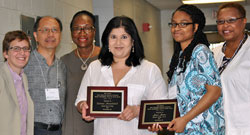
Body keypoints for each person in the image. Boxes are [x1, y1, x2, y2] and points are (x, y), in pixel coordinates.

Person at [75, 16, 168, 135]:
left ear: (133, 41)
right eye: (113, 37)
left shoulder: (149, 69)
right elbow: (80, 100)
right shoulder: (94, 67)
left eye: (124, 37)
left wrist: (137, 110)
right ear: (107, 40)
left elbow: (162, 110)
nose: (118, 42)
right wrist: (83, 106)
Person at [149, 5, 225, 134]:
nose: (176, 28)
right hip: (184, 128)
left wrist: (185, 119)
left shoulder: (200, 51)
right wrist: (159, 120)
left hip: (203, 128)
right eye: (174, 24)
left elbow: (215, 91)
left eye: (183, 24)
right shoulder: (180, 57)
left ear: (195, 27)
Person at [211, 3, 250, 134]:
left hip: (244, 126)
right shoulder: (213, 54)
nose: (225, 25)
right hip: (218, 126)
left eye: (231, 20)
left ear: (244, 21)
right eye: (220, 21)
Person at [24, 16, 66, 135]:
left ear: (60, 36)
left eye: (54, 30)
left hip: (58, 130)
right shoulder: (25, 63)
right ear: (36, 36)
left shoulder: (62, 66)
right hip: (32, 130)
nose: (50, 34)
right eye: (45, 30)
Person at [61, 10, 101, 135]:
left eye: (87, 28)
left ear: (94, 31)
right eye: (77, 28)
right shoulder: (64, 61)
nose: (82, 33)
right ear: (71, 33)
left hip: (102, 126)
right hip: (73, 127)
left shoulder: (108, 58)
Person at [0, 30, 34, 135]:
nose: (22, 53)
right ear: (5, 53)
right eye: (16, 49)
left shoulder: (23, 78)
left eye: (25, 48)